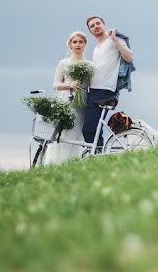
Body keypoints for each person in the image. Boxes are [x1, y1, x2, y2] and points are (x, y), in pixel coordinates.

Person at [82, 14, 134, 150]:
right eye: (92, 26)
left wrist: (115, 40)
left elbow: (129, 57)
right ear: (90, 31)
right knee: (93, 129)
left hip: (105, 90)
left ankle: (96, 155)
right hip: (93, 90)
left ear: (103, 24)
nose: (96, 27)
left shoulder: (114, 39)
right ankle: (97, 155)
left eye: (98, 23)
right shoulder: (96, 48)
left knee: (88, 129)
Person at [44, 31, 89, 164]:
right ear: (69, 45)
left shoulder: (89, 65)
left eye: (81, 42)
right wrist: (69, 85)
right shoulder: (64, 63)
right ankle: (58, 162)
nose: (78, 44)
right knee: (63, 132)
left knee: (77, 131)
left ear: (85, 44)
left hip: (81, 102)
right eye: (74, 42)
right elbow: (55, 84)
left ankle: (73, 161)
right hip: (65, 100)